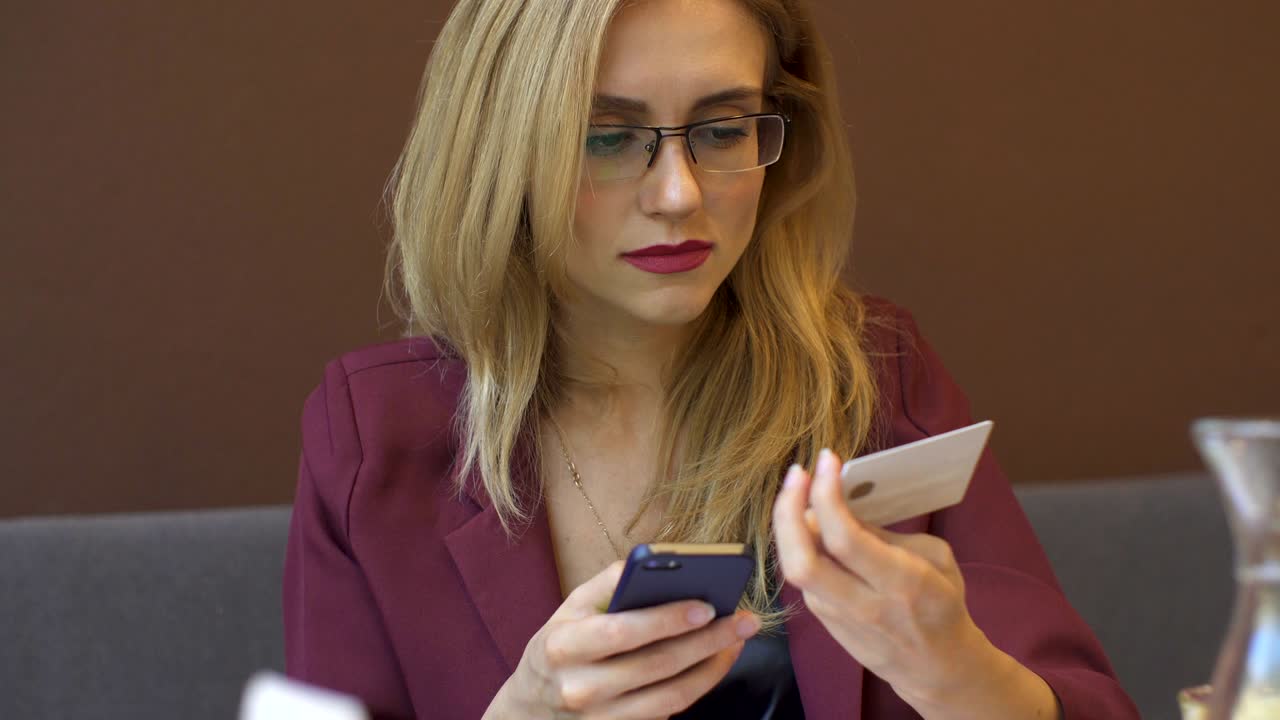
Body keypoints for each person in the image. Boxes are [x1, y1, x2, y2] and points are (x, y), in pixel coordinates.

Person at [283, 0, 1139, 718]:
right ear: (501, 149)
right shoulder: (375, 435)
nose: (678, 194)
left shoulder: (876, 376)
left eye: (723, 129)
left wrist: (961, 674)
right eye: (607, 138)